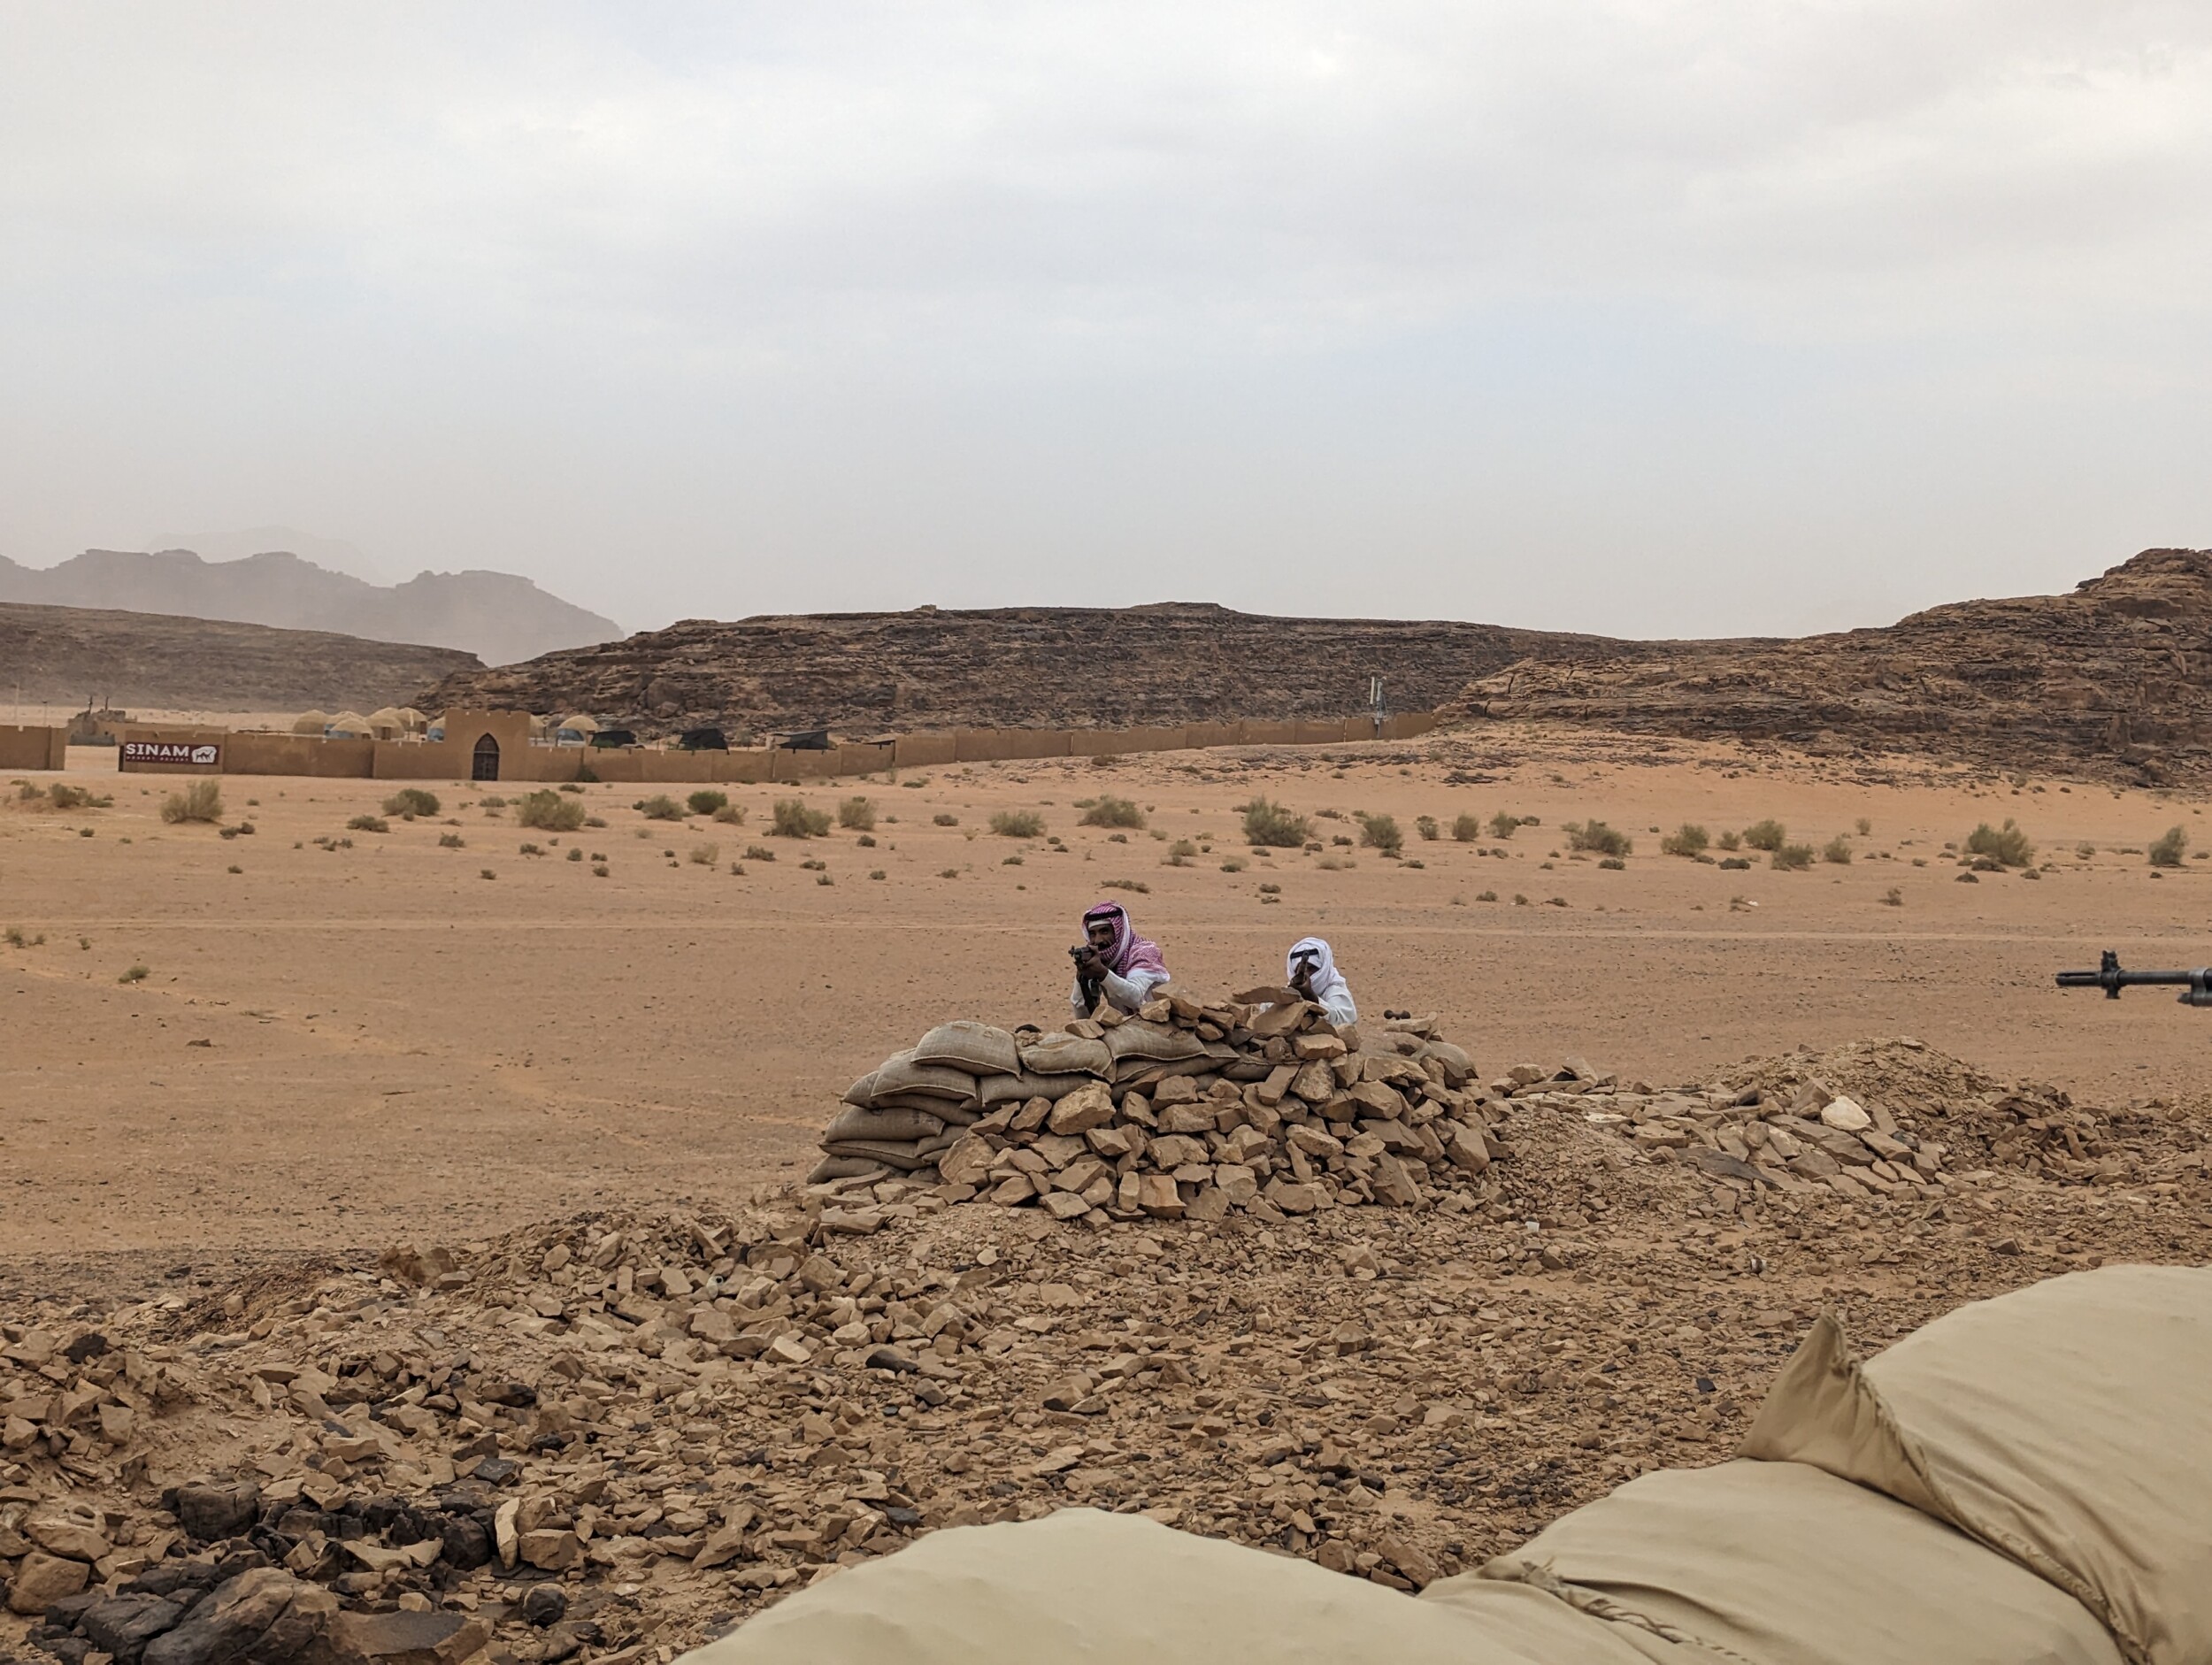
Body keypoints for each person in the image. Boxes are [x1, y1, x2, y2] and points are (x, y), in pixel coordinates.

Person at [1070, 900, 1171, 1018]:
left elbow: (1136, 998)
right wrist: (1082, 977)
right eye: (1092, 934)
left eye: (1104, 932)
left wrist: (1102, 973)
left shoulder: (1145, 951)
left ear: (1119, 931)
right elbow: (1082, 1014)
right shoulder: (1101, 958)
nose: (1098, 940)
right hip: (1128, 1029)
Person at [1286, 936, 1357, 1025]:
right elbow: (1267, 1011)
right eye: (1300, 970)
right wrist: (1288, 997)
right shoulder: (1293, 987)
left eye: (1311, 968)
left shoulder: (1335, 990)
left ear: (1323, 968)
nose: (1306, 974)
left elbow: (1342, 1021)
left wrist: (1311, 997)